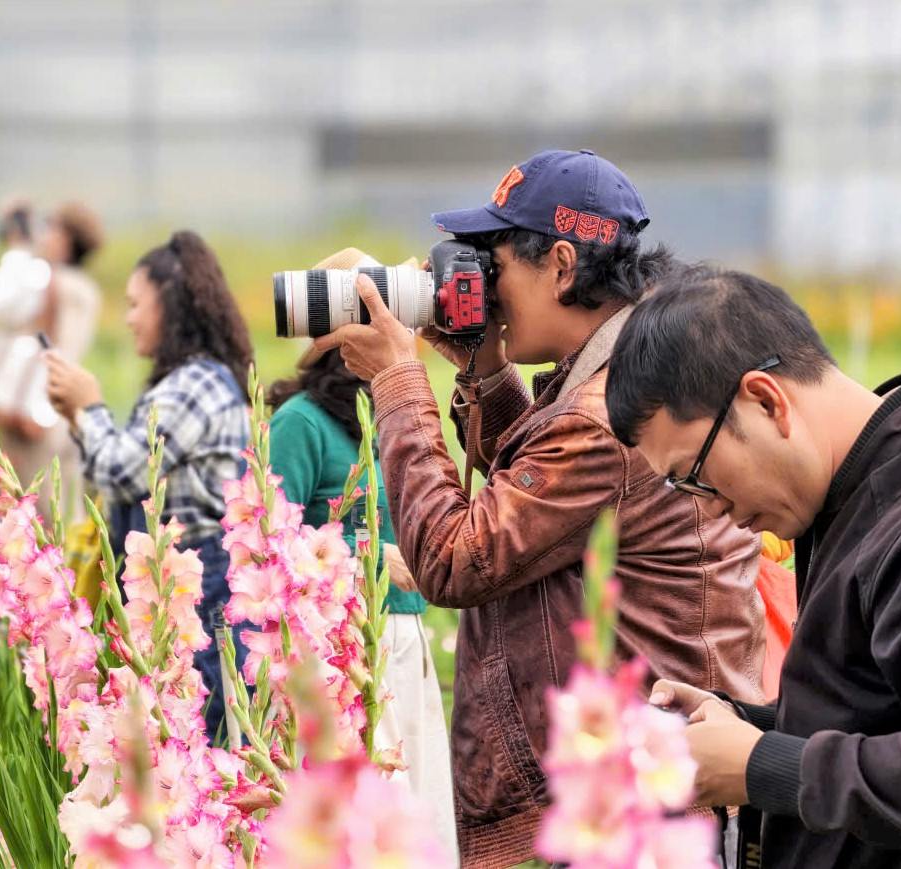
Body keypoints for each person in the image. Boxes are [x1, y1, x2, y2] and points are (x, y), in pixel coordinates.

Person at [308, 150, 765, 867]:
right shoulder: (626, 371)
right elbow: (536, 498)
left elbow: (455, 560)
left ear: (558, 264)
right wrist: (481, 367)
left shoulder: (604, 412)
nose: (481, 287)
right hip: (640, 789)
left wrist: (398, 381)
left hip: (642, 814)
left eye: (492, 265)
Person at [605, 264, 901, 867]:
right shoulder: (858, 501)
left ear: (766, 400)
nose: (710, 512)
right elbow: (881, 716)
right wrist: (745, 726)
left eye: (695, 476)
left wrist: (760, 766)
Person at [267, 247, 458, 862]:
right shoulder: (299, 423)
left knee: (412, 813)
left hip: (402, 634)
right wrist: (366, 553)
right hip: (337, 650)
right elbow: (274, 544)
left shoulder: (390, 414)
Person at [43, 230, 254, 743]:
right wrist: (79, 416)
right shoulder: (186, 382)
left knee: (197, 740)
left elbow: (119, 471)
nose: (129, 317)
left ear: (172, 305)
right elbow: (128, 472)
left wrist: (90, 406)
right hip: (179, 587)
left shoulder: (194, 385)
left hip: (197, 593)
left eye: (137, 304)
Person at [0, 198, 104, 523]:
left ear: (66, 239)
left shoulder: (54, 285)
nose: (43, 234)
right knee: (49, 508)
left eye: (50, 227)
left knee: (39, 510)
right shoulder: (77, 287)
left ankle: (63, 572)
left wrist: (17, 250)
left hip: (38, 412)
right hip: (53, 407)